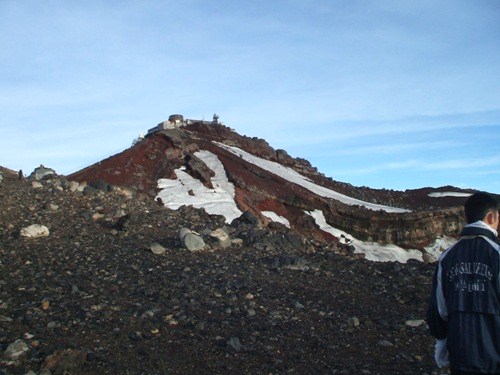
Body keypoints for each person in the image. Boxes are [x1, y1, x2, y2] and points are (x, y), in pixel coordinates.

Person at [427, 191, 500, 374]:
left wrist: (441, 344)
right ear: (491, 217)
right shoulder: (496, 255)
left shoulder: (447, 257)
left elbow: (439, 309)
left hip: (460, 356)